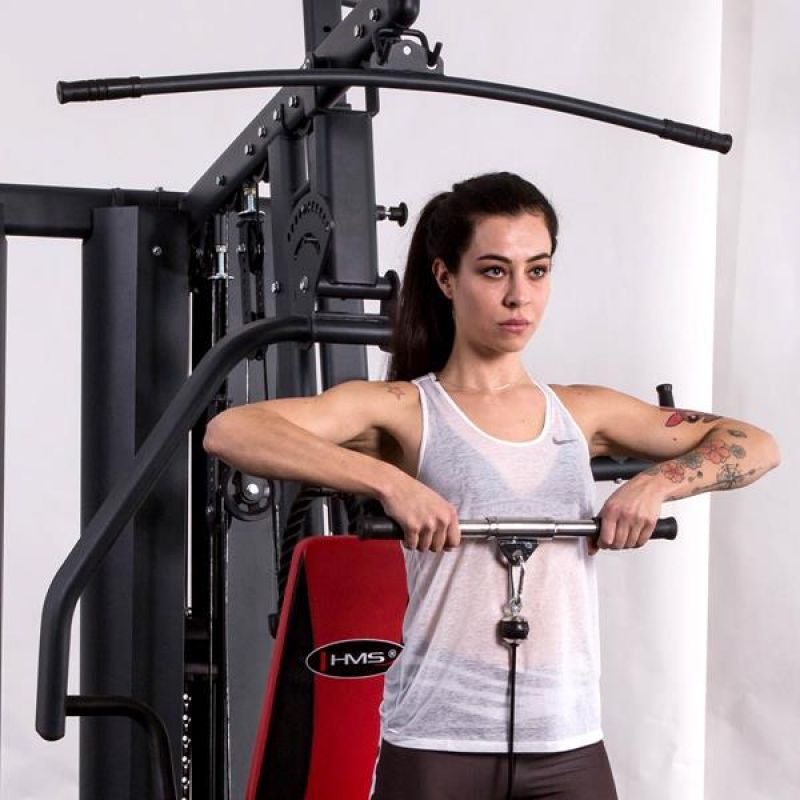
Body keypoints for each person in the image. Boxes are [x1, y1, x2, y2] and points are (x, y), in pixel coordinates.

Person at [203, 172, 780, 799]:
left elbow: (756, 444)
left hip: (565, 738)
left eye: (538, 270)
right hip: (437, 741)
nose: (518, 296)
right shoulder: (405, 409)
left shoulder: (583, 412)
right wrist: (389, 482)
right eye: (494, 271)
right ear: (446, 278)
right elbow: (232, 431)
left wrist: (656, 484)